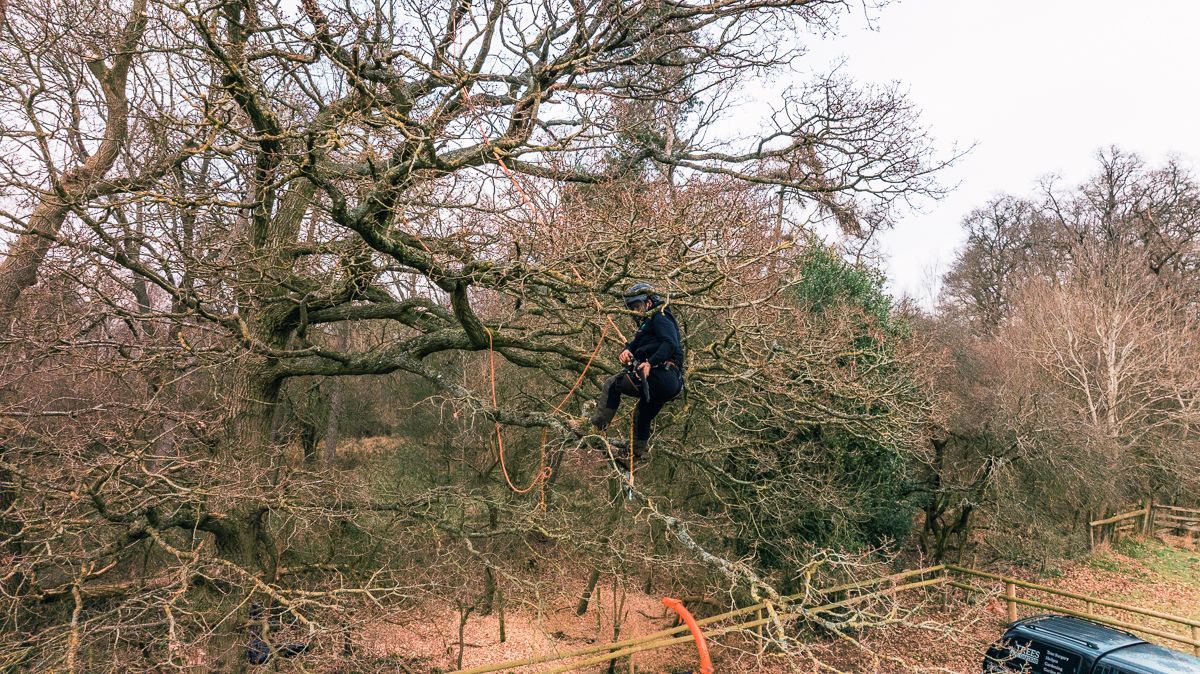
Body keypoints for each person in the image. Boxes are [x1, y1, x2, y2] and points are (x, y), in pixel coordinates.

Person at [585, 283, 684, 466]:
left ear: (647, 302)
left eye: (637, 306)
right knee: (641, 415)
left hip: (664, 375)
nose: (636, 312)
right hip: (666, 384)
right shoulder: (646, 326)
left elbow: (670, 344)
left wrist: (650, 362)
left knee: (613, 384)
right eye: (632, 308)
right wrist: (626, 351)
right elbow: (635, 343)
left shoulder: (660, 316)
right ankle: (634, 456)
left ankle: (594, 429)